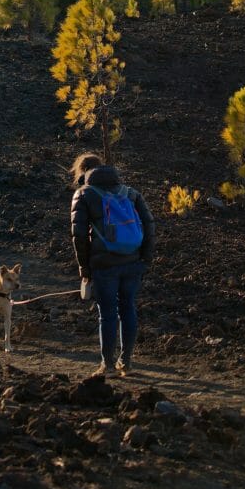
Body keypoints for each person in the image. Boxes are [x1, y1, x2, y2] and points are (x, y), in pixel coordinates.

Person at [70, 157, 155, 377]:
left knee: (107, 314)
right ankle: (125, 362)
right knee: (128, 308)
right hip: (132, 262)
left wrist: (84, 268)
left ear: (84, 172)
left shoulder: (84, 194)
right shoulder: (130, 193)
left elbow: (78, 236)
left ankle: (106, 365)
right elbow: (149, 225)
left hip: (104, 264)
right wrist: (145, 258)